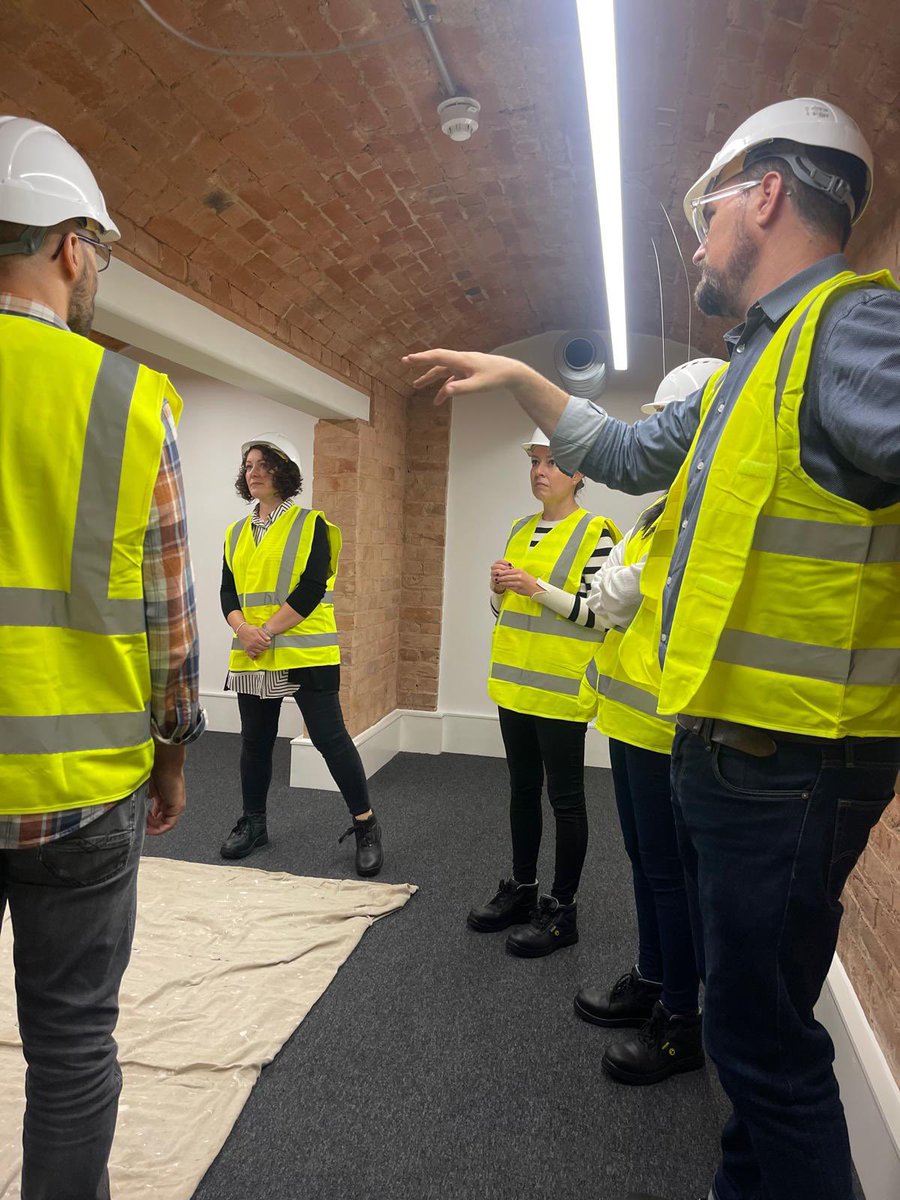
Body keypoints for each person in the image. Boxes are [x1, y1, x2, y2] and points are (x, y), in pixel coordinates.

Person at [406, 97, 900, 1200]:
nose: (695, 237)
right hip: (741, 752)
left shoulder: (851, 333)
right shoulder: (751, 367)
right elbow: (629, 452)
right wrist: (525, 377)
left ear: (766, 194)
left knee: (767, 1052)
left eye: (707, 208)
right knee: (742, 1026)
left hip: (794, 759)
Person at [0, 117, 204, 1200]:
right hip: (83, 796)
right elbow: (170, 632)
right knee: (73, 1050)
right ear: (71, 245)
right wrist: (171, 758)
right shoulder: (128, 400)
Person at [574, 359, 725, 1088]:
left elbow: (624, 591)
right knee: (646, 865)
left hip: (671, 723)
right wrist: (614, 589)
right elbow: (611, 596)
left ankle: (681, 1020)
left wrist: (615, 588)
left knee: (673, 877)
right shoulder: (660, 510)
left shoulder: (710, 508)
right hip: (631, 716)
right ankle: (653, 977)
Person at [467, 429, 620, 955]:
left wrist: (536, 588)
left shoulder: (598, 532)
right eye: (535, 461)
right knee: (521, 791)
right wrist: (497, 589)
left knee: (567, 800)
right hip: (514, 686)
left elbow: (601, 616)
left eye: (554, 463)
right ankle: (524, 889)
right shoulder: (518, 529)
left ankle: (563, 909)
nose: (540, 472)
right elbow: (503, 613)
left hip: (560, 691)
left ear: (579, 474)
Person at [219, 433, 383, 877]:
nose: (252, 472)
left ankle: (366, 825)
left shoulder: (313, 525)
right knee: (255, 742)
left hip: (304, 650)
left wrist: (265, 632)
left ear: (283, 471)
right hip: (254, 651)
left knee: (330, 739)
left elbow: (311, 589)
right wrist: (242, 629)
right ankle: (254, 824)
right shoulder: (236, 532)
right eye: (248, 465)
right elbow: (227, 592)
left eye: (262, 465)